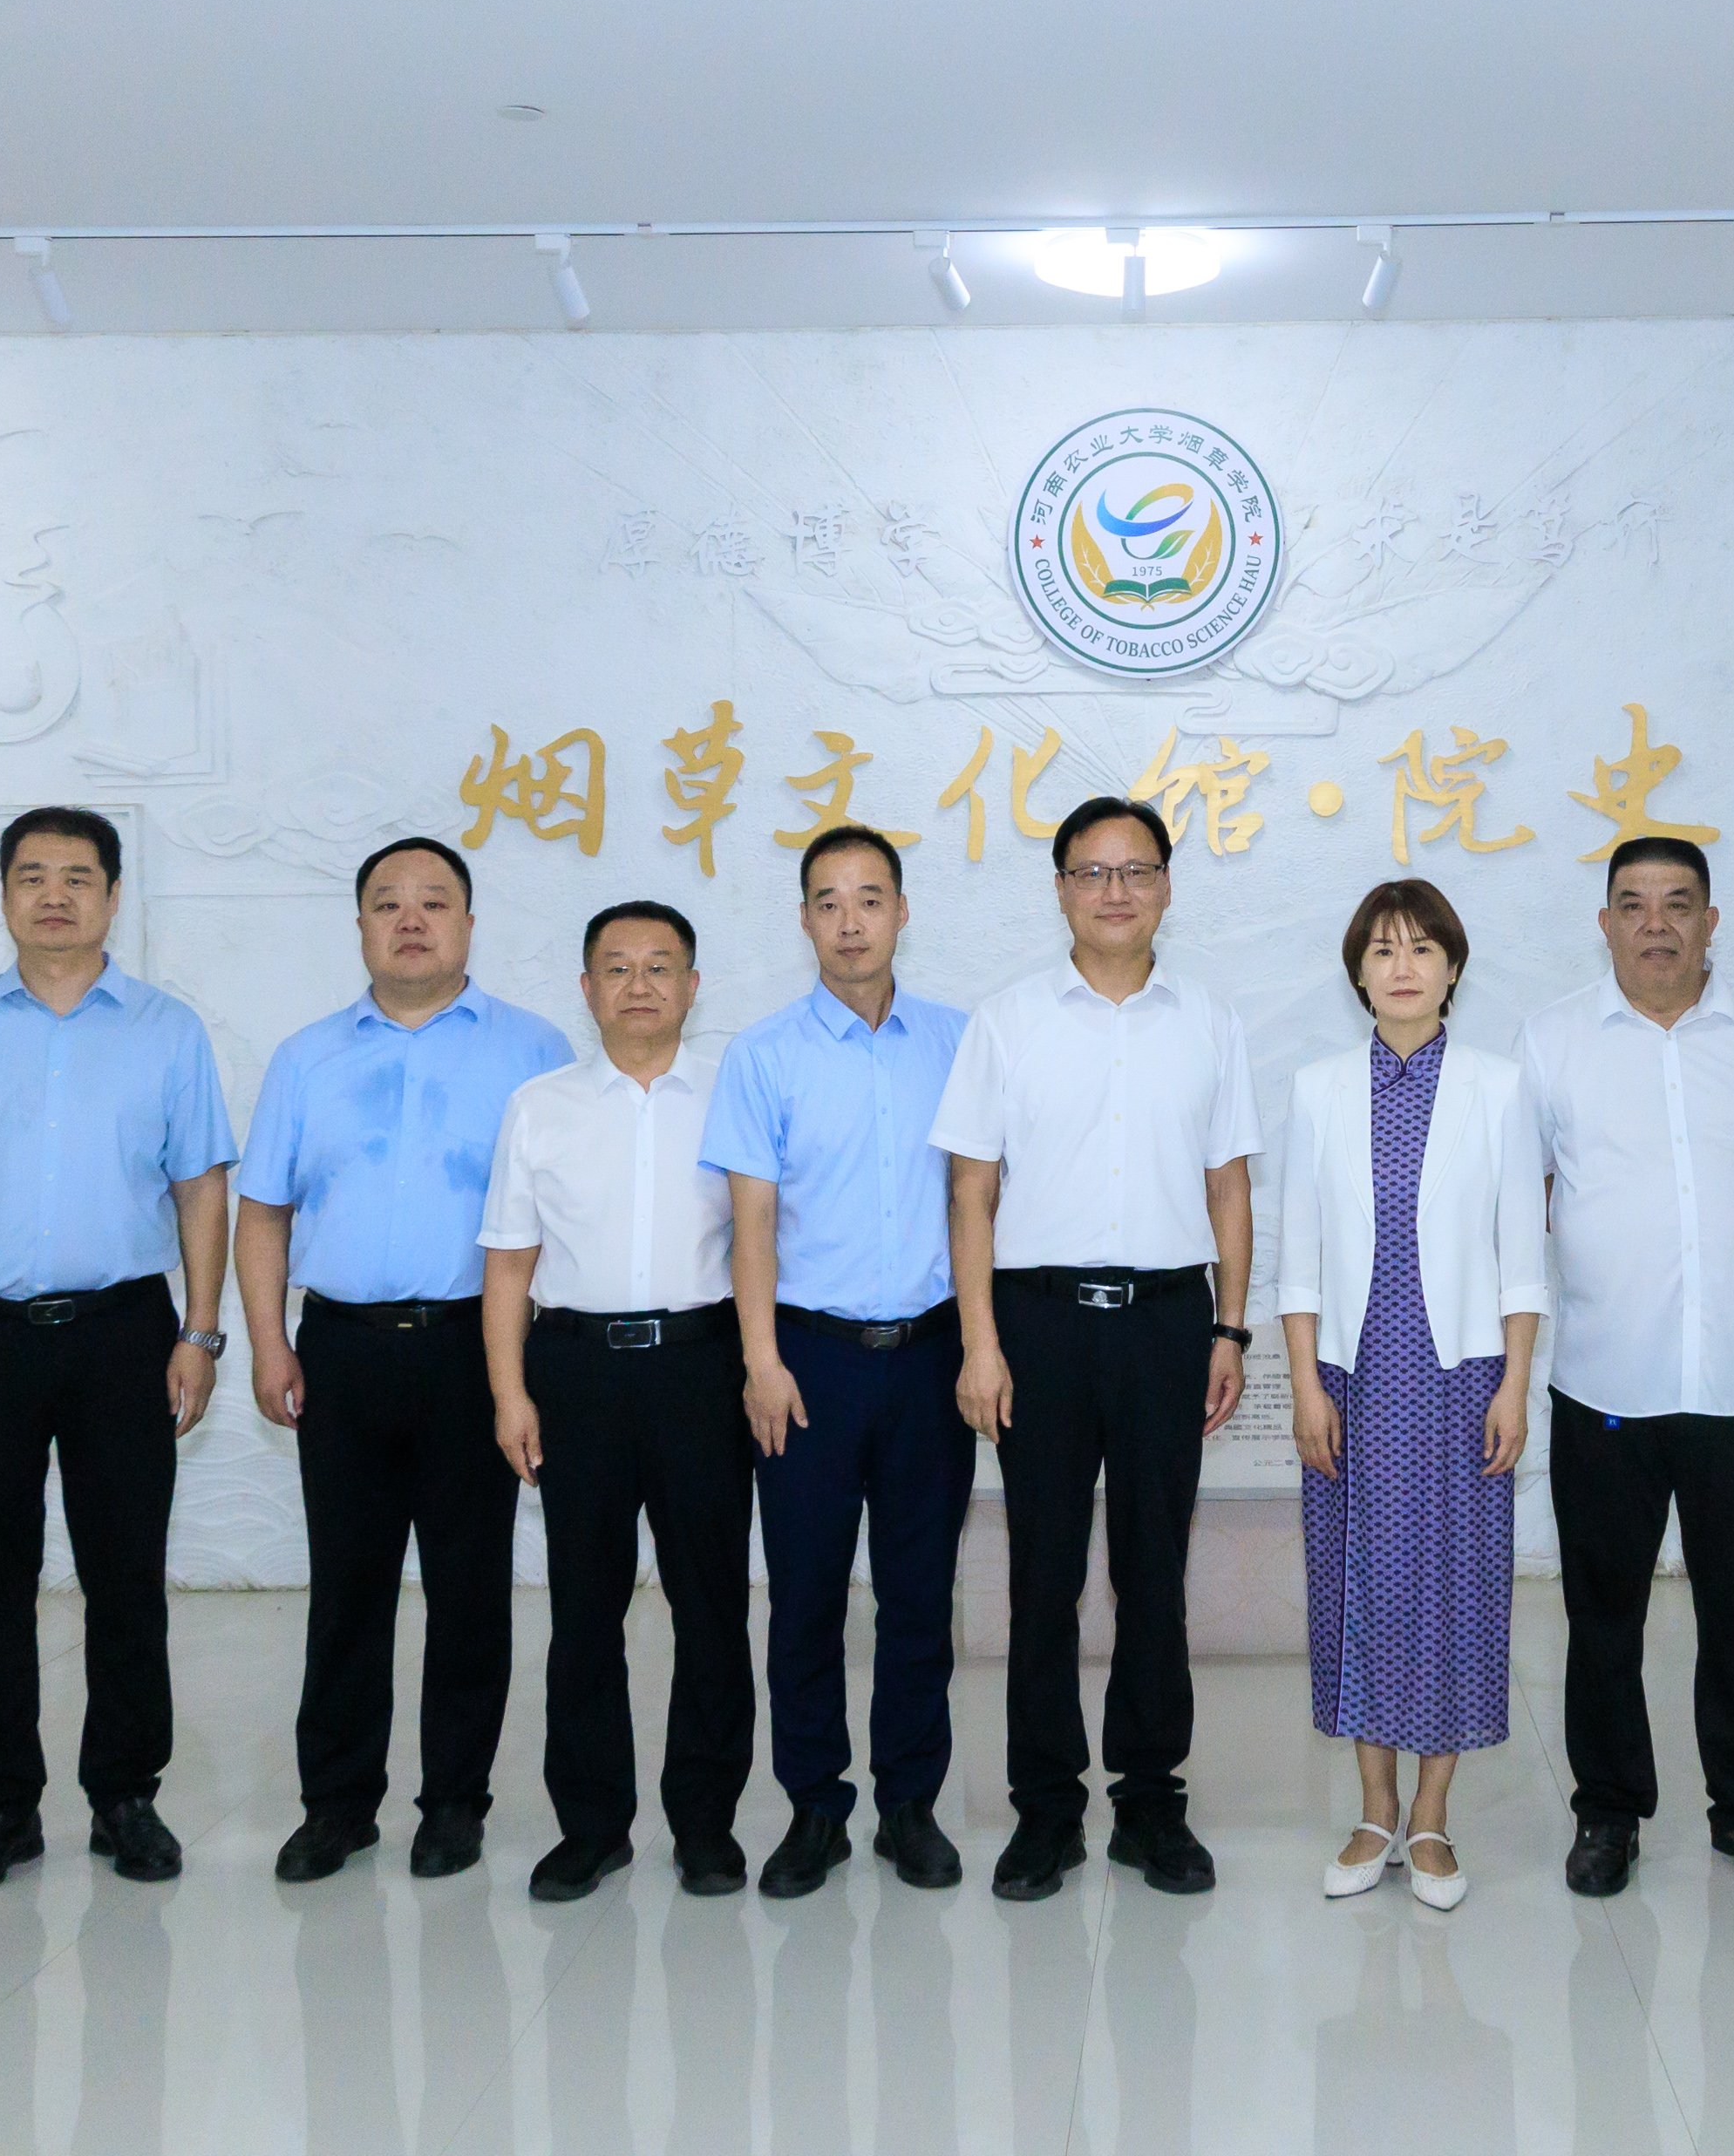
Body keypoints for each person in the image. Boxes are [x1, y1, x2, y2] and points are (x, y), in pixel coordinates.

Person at [0, 807, 235, 1903]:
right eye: (33, 876)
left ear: (114, 896)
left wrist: (200, 1332)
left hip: (124, 1333)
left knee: (126, 1576)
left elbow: (200, 1188)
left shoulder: (167, 1030)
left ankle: (125, 1795)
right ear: (4, 895)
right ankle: (0, 1807)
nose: (56, 895)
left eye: (79, 876)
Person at [933, 795, 1261, 1901]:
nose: (1115, 891)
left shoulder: (1208, 1020)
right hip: (1040, 1324)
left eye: (1136, 870)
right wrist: (981, 1345)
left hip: (1168, 1321)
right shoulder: (1008, 1021)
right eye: (1092, 872)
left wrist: (1229, 1327)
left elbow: (1230, 1188)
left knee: (1153, 1573)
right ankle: (1045, 1809)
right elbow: (971, 1193)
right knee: (1043, 1574)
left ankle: (1152, 1802)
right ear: (1061, 889)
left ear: (1167, 884)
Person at [235, 837, 573, 1884]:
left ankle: (454, 1804)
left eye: (434, 902)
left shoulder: (535, 1051)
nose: (412, 920)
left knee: (471, 1589)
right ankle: (337, 1805)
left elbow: (567, 1210)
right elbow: (263, 1210)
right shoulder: (307, 1058)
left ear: (470, 923)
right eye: (389, 903)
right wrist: (267, 1342)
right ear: (361, 927)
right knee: (349, 1589)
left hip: (479, 1348)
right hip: (341, 1350)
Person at [1519, 835, 1734, 1899]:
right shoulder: (1552, 1039)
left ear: (1711, 920)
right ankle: (1607, 1812)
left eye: (1679, 903)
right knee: (1604, 1615)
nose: (1657, 924)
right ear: (1604, 922)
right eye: (1634, 904)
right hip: (1607, 1379)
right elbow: (1532, 1188)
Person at [702, 826, 976, 1899]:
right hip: (808, 1362)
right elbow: (751, 1226)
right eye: (829, 901)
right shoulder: (764, 1055)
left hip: (931, 1359)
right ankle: (816, 1806)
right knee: (806, 1596)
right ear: (805, 920)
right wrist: (760, 1362)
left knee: (918, 1594)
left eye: (870, 899)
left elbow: (980, 1204)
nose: (851, 921)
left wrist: (983, 1346)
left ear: (903, 912)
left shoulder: (959, 1044)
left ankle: (910, 1804)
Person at [1276, 879, 1549, 1911]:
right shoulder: (1318, 1089)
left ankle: (1432, 1818)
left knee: (1454, 1589)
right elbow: (1299, 1259)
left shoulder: (1499, 1087)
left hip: (1462, 1377)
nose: (1403, 967)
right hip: (1351, 1378)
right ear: (1358, 971)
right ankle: (1372, 1811)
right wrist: (1306, 1386)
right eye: (1384, 949)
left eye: (1423, 948)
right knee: (1360, 1586)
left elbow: (1521, 1258)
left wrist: (1515, 1385)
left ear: (1453, 968)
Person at [479, 900, 753, 1901]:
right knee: (585, 1609)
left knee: (711, 1605)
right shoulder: (539, 1104)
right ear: (587, 988)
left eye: (661, 965)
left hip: (701, 1368)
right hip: (577, 1372)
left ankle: (706, 1825)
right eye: (619, 967)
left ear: (693, 985)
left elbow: (768, 1244)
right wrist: (510, 1394)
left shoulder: (734, 1094)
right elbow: (508, 1264)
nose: (640, 984)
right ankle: (591, 1828)